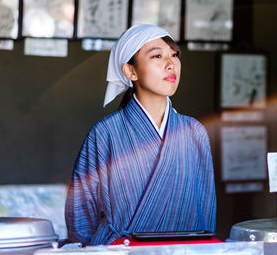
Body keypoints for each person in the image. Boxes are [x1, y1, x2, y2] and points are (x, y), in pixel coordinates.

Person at [65, 24, 217, 245]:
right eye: (157, 55)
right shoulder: (104, 134)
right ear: (130, 71)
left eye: (174, 55)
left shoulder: (194, 132)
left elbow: (206, 210)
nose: (170, 64)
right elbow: (80, 215)